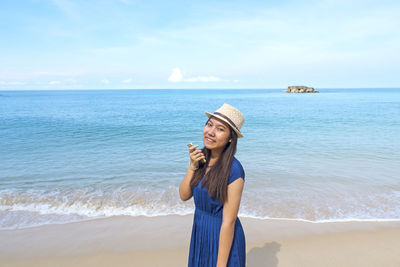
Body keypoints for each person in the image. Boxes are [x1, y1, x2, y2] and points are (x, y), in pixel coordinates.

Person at [179, 103, 246, 267]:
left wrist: (221, 265)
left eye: (220, 129)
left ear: (231, 138)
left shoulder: (234, 171)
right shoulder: (201, 159)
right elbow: (184, 195)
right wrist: (192, 165)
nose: (211, 132)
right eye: (209, 125)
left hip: (222, 237)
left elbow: (228, 222)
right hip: (200, 233)